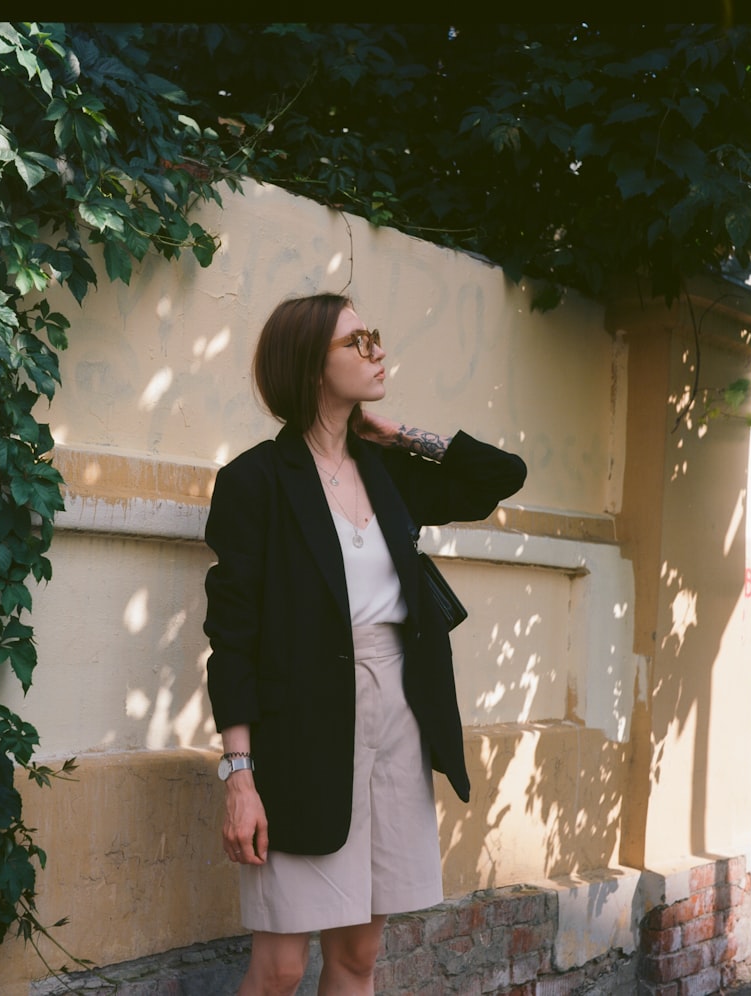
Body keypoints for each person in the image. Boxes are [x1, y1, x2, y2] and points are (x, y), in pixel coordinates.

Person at [203, 293, 527, 995]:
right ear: (309, 367)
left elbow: (500, 477)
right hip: (300, 724)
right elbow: (231, 640)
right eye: (357, 342)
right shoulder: (255, 481)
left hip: (397, 713)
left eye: (374, 337)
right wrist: (241, 776)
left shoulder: (391, 472)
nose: (377, 350)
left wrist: (403, 435)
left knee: (357, 957)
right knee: (282, 966)